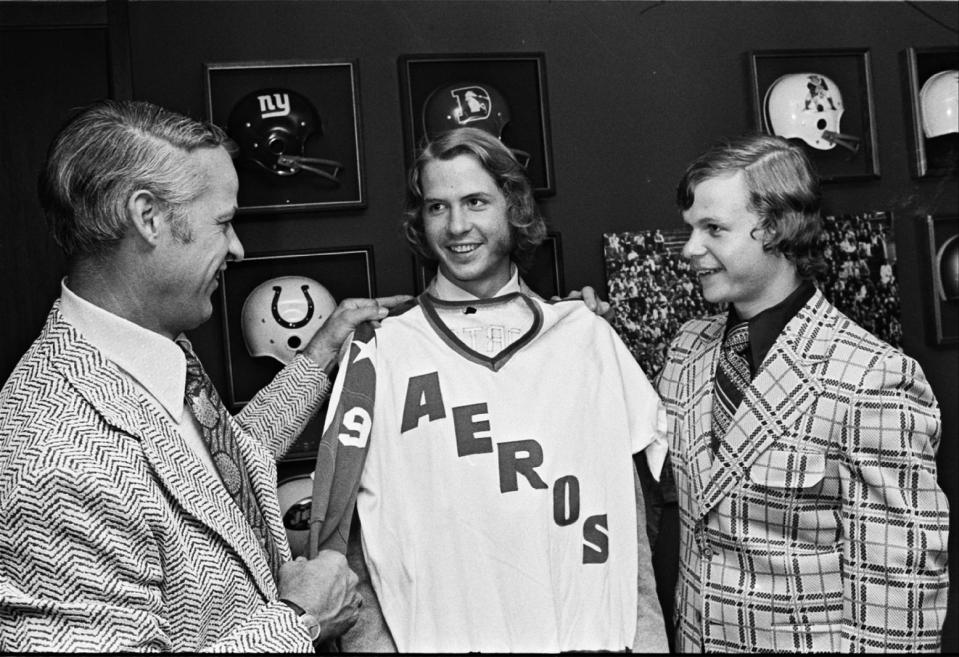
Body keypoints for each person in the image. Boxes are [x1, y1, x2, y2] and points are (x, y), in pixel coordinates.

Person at [0, 99, 409, 652]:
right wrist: (299, 620)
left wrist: (320, 356)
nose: (237, 247)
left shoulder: (155, 347)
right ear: (148, 217)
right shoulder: (50, 462)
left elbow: (222, 466)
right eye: (223, 223)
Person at [309, 126, 669, 652]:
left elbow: (631, 527)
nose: (457, 226)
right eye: (437, 207)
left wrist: (649, 640)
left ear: (513, 206)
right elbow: (351, 548)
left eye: (475, 201)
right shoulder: (380, 351)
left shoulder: (586, 337)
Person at [655, 133, 950, 652]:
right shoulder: (687, 351)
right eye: (690, 229)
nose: (690, 249)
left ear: (774, 228)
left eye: (713, 230)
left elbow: (899, 596)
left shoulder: (873, 376)